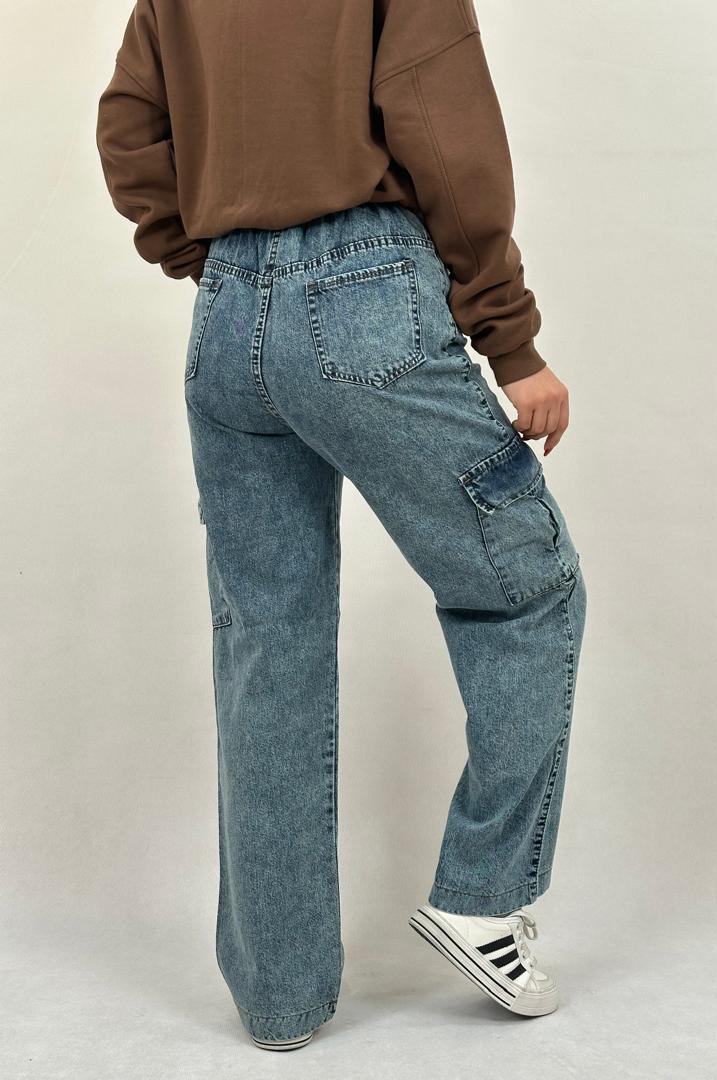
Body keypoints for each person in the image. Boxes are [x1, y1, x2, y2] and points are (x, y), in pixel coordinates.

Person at [96, 0, 587, 1053]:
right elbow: (442, 127)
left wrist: (209, 255)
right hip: (365, 297)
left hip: (227, 311)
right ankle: (483, 898)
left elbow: (130, 126)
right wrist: (510, 341)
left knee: (266, 642)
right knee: (528, 587)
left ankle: (279, 994)